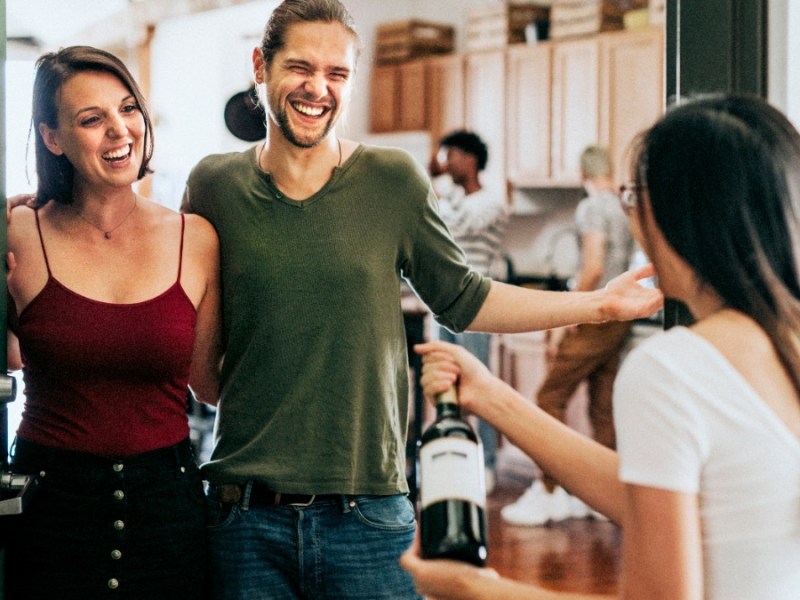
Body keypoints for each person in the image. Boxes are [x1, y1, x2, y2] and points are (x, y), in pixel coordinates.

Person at [180, 1, 661, 598]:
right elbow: (202, 363)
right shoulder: (213, 186)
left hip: (368, 515)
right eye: (300, 67)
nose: (317, 88)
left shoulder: (392, 180)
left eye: (337, 74)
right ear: (261, 65)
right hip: (244, 516)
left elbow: (463, 297)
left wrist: (598, 306)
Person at [401, 93, 800, 599]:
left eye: (634, 198)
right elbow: (654, 496)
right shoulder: (781, 346)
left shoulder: (673, 369)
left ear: (675, 214)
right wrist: (490, 396)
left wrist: (475, 589)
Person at [3, 46, 221, 600]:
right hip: (47, 509)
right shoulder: (15, 232)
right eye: (91, 118)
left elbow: (211, 384)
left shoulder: (195, 239)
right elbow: (8, 360)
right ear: (52, 138)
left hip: (167, 511)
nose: (120, 130)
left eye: (128, 109)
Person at [501, 145, 634, 526]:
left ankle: (549, 489)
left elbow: (592, 265)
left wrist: (575, 307)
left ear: (582, 173)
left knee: (549, 397)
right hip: (620, 316)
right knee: (602, 404)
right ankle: (602, 497)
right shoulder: (624, 208)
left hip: (596, 312)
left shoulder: (591, 208)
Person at [429, 129, 509, 492]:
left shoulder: (491, 202)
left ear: (472, 159)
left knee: (480, 384)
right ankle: (451, 461)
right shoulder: (452, 197)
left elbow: (456, 225)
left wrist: (434, 192)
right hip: (442, 303)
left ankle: (488, 465)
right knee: (445, 386)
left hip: (477, 304)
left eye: (453, 154)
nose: (447, 161)